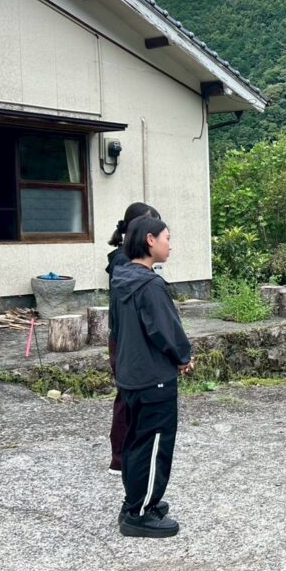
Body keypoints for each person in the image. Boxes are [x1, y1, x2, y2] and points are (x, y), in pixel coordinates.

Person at [110, 216, 193, 538]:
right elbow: (166, 329)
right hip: (154, 377)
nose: (170, 245)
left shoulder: (121, 277)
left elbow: (116, 329)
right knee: (155, 445)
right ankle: (140, 513)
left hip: (131, 375)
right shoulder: (150, 284)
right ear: (150, 240)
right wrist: (183, 358)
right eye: (167, 238)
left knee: (136, 442)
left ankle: (135, 501)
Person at [105, 202, 161, 475]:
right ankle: (119, 457)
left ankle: (132, 453)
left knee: (135, 397)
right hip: (125, 339)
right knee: (127, 397)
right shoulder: (123, 262)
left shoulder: (130, 260)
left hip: (131, 338)